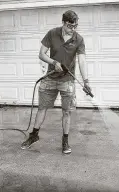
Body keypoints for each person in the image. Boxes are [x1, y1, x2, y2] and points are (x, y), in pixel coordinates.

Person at [21, 10, 91, 154]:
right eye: (71, 26)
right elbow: (41, 54)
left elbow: (82, 61)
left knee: (67, 112)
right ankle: (34, 136)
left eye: (75, 26)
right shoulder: (52, 33)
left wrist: (86, 81)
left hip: (67, 81)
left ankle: (65, 141)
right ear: (64, 23)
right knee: (42, 108)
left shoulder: (79, 39)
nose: (73, 29)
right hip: (50, 78)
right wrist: (54, 62)